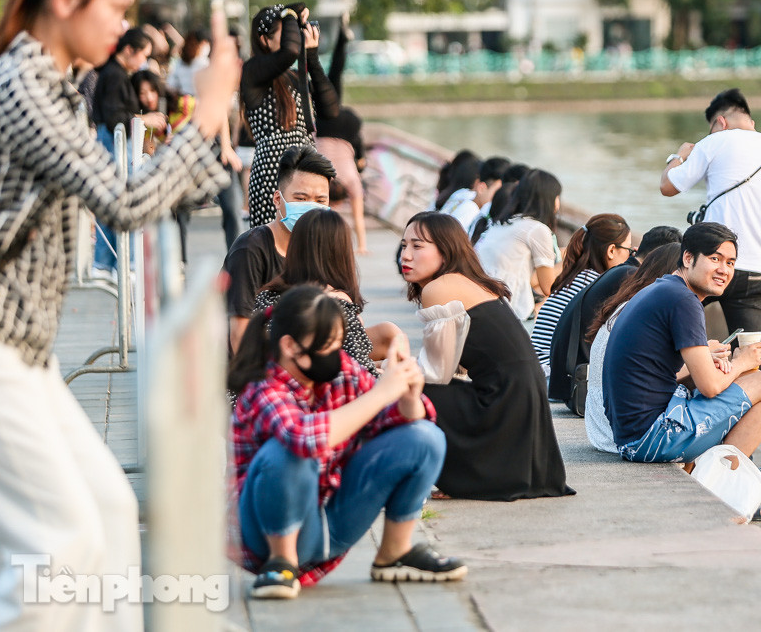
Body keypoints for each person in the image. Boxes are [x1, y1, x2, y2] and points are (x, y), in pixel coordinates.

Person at [0, 0, 238, 627]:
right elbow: (126, 201)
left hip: (23, 351)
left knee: (110, 510)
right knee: (57, 544)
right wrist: (209, 113)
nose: (126, 28)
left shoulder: (58, 83)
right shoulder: (20, 88)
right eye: (117, 10)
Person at [229, 285, 465, 598]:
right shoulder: (264, 387)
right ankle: (281, 563)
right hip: (266, 530)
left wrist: (408, 395)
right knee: (285, 452)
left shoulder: (343, 372)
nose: (336, 354)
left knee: (425, 437)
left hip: (332, 521)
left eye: (338, 343)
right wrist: (383, 392)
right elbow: (304, 439)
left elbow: (403, 422)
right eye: (327, 345)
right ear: (290, 346)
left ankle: (394, 553)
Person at [602, 223, 761, 514]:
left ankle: (710, 479)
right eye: (715, 259)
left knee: (729, 381)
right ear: (688, 258)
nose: (724, 269)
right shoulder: (684, 300)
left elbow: (662, 375)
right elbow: (711, 386)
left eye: (731, 262)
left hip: (630, 436)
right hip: (649, 438)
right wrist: (742, 362)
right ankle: (724, 493)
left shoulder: (664, 289)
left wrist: (717, 366)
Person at [400, 212, 574, 501]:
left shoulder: (438, 288)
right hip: (521, 396)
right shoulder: (466, 281)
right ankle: (459, 476)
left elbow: (436, 373)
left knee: (401, 392)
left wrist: (391, 371)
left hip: (502, 401)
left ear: (446, 250)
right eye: (403, 246)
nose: (406, 255)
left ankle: (436, 477)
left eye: (418, 246)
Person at [659, 88, 761, 341]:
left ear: (720, 122)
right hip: (755, 274)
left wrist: (678, 155)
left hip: (707, 263)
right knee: (747, 356)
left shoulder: (715, 141)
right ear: (751, 122)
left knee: (665, 336)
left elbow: (667, 186)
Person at [254, 208, 400, 376]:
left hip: (251, 391)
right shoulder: (335, 304)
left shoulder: (266, 295)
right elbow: (358, 378)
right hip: (303, 394)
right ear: (341, 253)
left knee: (388, 332)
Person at [548, 225, 682, 403]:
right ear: (664, 255)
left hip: (569, 378)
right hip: (581, 383)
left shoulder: (622, 271)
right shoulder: (632, 278)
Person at [224, 144, 334, 354]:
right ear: (277, 199)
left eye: (320, 201)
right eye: (300, 199)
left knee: (388, 334)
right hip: (260, 361)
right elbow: (239, 334)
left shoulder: (322, 246)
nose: (310, 207)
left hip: (309, 352)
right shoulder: (250, 249)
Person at [242, 3, 339, 227]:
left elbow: (331, 110)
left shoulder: (296, 76)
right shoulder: (252, 70)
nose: (294, 38)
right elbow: (290, 51)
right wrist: (290, 13)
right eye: (287, 33)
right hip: (272, 172)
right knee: (270, 249)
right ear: (265, 40)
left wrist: (312, 57)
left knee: (310, 245)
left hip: (306, 167)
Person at [583, 243, 680, 453]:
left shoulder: (628, 304)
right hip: (614, 427)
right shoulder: (649, 312)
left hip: (599, 419)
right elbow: (654, 374)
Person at [90, 26, 167, 278]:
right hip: (113, 143)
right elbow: (115, 118)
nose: (144, 61)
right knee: (119, 201)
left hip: (116, 143)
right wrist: (145, 120)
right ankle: (112, 263)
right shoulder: (114, 75)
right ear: (129, 50)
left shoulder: (116, 73)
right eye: (143, 55)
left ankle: (109, 262)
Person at [529, 213, 631, 377]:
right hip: (550, 373)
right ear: (612, 250)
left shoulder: (574, 278)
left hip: (536, 367)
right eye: (629, 250)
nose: (630, 257)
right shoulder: (597, 285)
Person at [474, 169, 563, 321]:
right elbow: (549, 287)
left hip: (480, 301)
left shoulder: (504, 222)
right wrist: (570, 260)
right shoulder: (537, 229)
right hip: (509, 312)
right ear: (549, 199)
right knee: (559, 302)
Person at [315, 15, 371, 254]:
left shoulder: (328, 177)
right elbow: (359, 216)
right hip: (330, 123)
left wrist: (359, 157)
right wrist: (363, 247)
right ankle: (339, 39)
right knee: (328, 78)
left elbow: (357, 145)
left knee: (330, 77)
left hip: (335, 124)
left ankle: (338, 39)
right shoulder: (328, 177)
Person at [442, 155, 507, 232]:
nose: (499, 197)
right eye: (497, 193)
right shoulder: (472, 210)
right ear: (481, 188)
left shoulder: (462, 193)